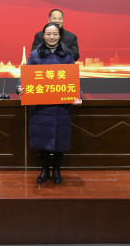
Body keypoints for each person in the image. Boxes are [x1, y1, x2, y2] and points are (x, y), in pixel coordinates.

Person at [19, 22, 82, 184]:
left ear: (60, 36)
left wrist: (77, 96)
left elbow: (74, 79)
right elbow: (26, 75)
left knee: (60, 141)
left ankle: (57, 170)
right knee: (42, 140)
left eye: (55, 34)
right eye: (48, 34)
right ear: (43, 36)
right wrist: (20, 87)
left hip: (61, 107)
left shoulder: (67, 55)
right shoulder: (35, 55)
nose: (52, 37)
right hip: (41, 108)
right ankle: (45, 170)